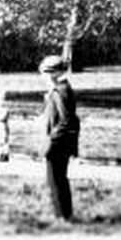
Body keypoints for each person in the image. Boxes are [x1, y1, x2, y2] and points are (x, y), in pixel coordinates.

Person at [40, 55, 80, 222]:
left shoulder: (60, 91)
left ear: (52, 73)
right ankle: (64, 215)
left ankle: (63, 217)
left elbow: (67, 121)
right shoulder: (61, 89)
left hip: (58, 144)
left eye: (44, 73)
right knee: (57, 180)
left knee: (56, 181)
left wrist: (51, 140)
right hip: (61, 142)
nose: (42, 77)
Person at [0, 88, 13, 162]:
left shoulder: (4, 109)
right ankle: (1, 155)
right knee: (0, 142)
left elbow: (2, 118)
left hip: (2, 127)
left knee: (3, 142)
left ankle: (5, 155)